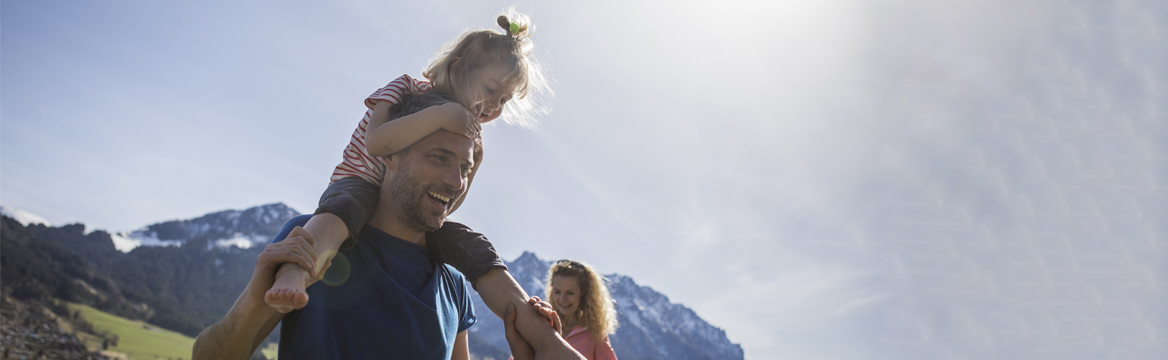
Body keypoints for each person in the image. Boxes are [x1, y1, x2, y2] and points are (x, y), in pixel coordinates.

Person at [192, 93, 584, 359]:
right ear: (389, 155)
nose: (456, 181)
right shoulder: (315, 241)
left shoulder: (454, 283)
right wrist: (251, 309)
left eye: (464, 168)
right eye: (439, 157)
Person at [265, 10, 549, 314]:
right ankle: (295, 270)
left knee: (472, 244)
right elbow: (377, 143)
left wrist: (474, 162)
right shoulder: (405, 88)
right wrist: (438, 116)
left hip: (408, 204)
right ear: (457, 68)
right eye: (491, 90)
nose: (494, 106)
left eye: (504, 101)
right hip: (359, 181)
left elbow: (449, 202)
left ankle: (529, 321)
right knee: (339, 214)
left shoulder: (467, 136)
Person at [546, 260, 619, 360]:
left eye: (570, 293)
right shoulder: (544, 325)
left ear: (583, 294)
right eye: (557, 292)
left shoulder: (595, 335)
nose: (562, 299)